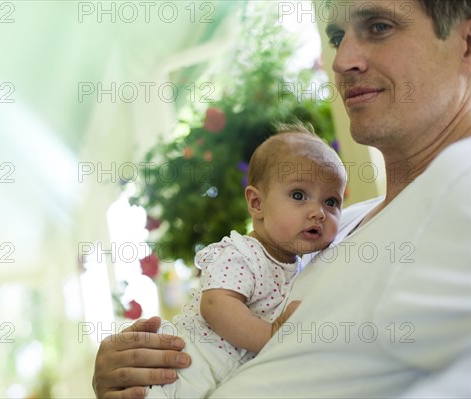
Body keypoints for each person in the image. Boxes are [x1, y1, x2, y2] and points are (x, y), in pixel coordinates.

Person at [92, 0, 471, 397]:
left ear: (469, 42)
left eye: (378, 27)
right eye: (337, 37)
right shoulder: (331, 229)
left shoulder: (463, 191)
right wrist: (132, 374)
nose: (342, 60)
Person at [146, 126, 346, 398]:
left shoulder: (301, 268)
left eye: (331, 201)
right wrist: (271, 336)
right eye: (299, 195)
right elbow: (216, 305)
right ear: (256, 203)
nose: (318, 213)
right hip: (183, 370)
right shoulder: (242, 253)